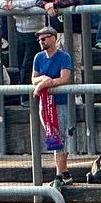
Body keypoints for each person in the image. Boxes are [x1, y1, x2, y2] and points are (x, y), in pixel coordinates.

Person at [32, 24, 74, 188]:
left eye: (44, 38)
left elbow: (65, 78)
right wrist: (44, 80)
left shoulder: (64, 57)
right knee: (53, 137)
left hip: (59, 103)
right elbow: (34, 78)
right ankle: (65, 173)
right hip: (44, 104)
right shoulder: (38, 57)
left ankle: (58, 175)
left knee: (59, 138)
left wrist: (48, 83)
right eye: (39, 40)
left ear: (53, 39)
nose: (41, 41)